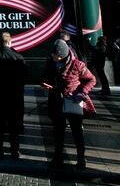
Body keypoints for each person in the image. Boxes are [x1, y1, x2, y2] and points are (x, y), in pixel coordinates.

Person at [42, 39, 96, 170]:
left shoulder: (78, 65)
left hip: (73, 101)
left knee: (77, 131)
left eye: (57, 55)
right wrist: (46, 84)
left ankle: (81, 158)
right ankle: (57, 158)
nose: (54, 57)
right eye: (53, 55)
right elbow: (44, 77)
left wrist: (82, 92)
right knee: (58, 132)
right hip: (57, 101)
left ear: (63, 54)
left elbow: (91, 79)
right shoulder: (50, 63)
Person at [0, 32, 27, 158]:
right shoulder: (18, 57)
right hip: (15, 95)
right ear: (9, 42)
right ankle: (15, 150)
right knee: (14, 124)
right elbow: (25, 77)